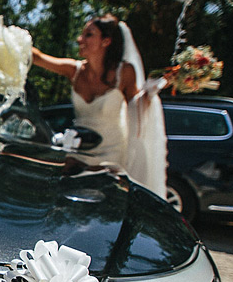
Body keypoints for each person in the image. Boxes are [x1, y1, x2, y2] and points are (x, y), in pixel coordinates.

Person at [30, 14, 167, 197]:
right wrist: (9, 39)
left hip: (111, 156)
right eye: (82, 34)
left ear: (106, 41)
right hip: (77, 153)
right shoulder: (74, 70)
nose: (80, 39)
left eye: (89, 34)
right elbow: (38, 58)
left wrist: (150, 92)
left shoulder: (124, 72)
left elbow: (136, 106)